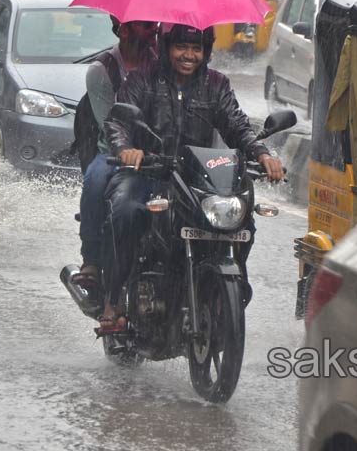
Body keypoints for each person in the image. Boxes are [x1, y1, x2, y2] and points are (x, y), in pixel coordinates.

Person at [98, 23, 285, 333]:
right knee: (125, 210)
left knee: (242, 220)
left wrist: (262, 154)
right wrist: (128, 149)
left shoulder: (217, 85)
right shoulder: (142, 79)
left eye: (196, 48)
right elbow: (118, 121)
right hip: (149, 174)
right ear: (167, 47)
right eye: (181, 47)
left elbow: (237, 126)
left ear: (206, 52)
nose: (189, 55)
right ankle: (114, 297)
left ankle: (232, 285)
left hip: (198, 179)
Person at [71, 19, 158, 298]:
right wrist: (127, 150)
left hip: (158, 151)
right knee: (95, 180)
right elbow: (109, 122)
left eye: (154, 25)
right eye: (145, 26)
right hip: (112, 149)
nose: (153, 31)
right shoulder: (101, 70)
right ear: (123, 31)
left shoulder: (163, 63)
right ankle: (92, 258)